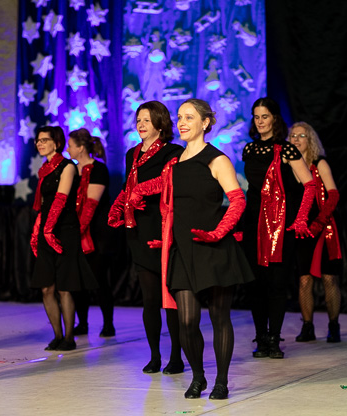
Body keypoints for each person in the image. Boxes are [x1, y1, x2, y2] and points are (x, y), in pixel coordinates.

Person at [145, 99, 253, 400]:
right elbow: (170, 207)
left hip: (215, 248)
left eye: (189, 117)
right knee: (186, 321)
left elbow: (238, 200)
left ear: (205, 123)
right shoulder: (173, 164)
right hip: (183, 250)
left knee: (219, 317)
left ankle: (221, 381)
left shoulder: (216, 160)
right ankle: (198, 376)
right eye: (180, 117)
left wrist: (218, 232)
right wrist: (165, 239)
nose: (182, 122)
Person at [108, 101, 184, 374]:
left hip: (163, 230)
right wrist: (118, 207)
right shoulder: (132, 153)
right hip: (138, 231)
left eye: (146, 120)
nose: (140, 124)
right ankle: (154, 356)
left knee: (170, 299)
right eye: (138, 120)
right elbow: (128, 185)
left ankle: (176, 357)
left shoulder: (173, 152)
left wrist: (139, 191)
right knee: (149, 299)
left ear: (160, 124)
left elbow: (167, 182)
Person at [241, 98, 317, 359]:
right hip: (253, 224)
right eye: (256, 116)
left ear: (275, 118)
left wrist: (301, 218)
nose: (260, 121)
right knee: (255, 284)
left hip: (280, 226)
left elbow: (310, 185)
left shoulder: (287, 150)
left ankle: (274, 338)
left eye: (265, 116)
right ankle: (261, 338)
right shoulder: (249, 149)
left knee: (276, 283)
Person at [29, 125, 97, 352]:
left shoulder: (67, 166)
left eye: (44, 140)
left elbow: (60, 199)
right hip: (46, 231)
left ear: (57, 143)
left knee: (64, 288)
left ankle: (69, 337)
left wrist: (49, 230)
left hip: (64, 231)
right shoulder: (44, 169)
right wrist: (39, 231)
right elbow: (43, 206)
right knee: (46, 288)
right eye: (38, 140)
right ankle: (57, 335)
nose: (40, 144)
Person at [287, 122, 342, 343]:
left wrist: (319, 222)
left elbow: (333, 195)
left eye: (301, 135)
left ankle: (334, 326)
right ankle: (307, 327)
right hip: (300, 231)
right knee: (304, 280)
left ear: (310, 139)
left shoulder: (320, 163)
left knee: (329, 279)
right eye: (293, 136)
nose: (296, 139)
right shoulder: (287, 166)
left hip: (322, 228)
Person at [68, 128, 115, 338]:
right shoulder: (70, 170)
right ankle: (83, 323)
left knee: (99, 279)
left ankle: (108, 324)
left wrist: (78, 232)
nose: (68, 149)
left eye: (70, 146)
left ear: (80, 148)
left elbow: (90, 206)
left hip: (96, 232)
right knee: (77, 281)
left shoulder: (99, 169)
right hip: (76, 230)